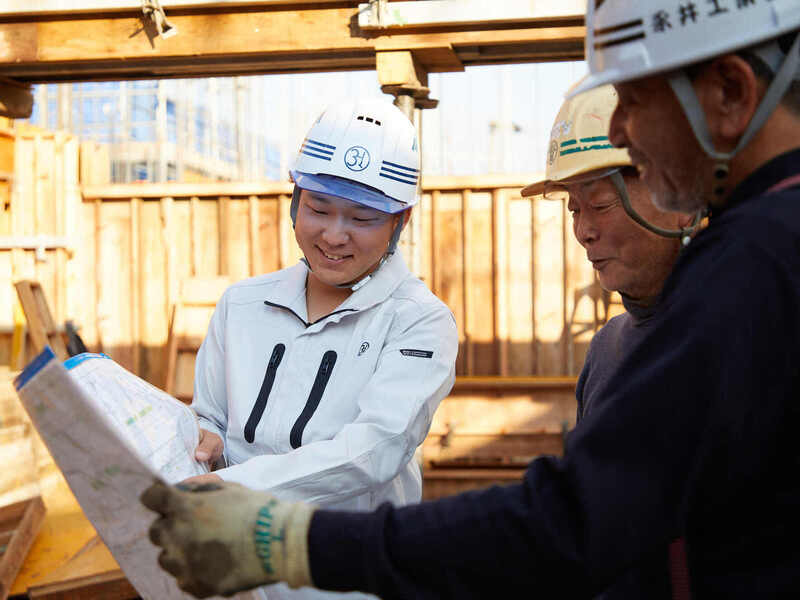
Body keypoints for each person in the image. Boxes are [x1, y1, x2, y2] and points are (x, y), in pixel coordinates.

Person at [143, 2, 800, 598]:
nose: (622, 128)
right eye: (319, 206)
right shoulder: (740, 267)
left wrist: (287, 540)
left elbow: (572, 522)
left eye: (632, 99)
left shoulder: (756, 264)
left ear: (730, 91)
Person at [182, 97, 458, 599]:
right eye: (318, 208)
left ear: (401, 220)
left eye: (363, 218)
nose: (334, 235)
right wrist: (207, 438)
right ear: (294, 200)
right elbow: (211, 417)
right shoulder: (241, 305)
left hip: (347, 583)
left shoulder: (418, 321)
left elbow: (374, 450)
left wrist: (235, 489)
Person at [520, 83, 698, 423]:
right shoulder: (607, 350)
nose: (584, 232)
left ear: (683, 197)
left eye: (601, 204)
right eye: (574, 209)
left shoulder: (746, 335)